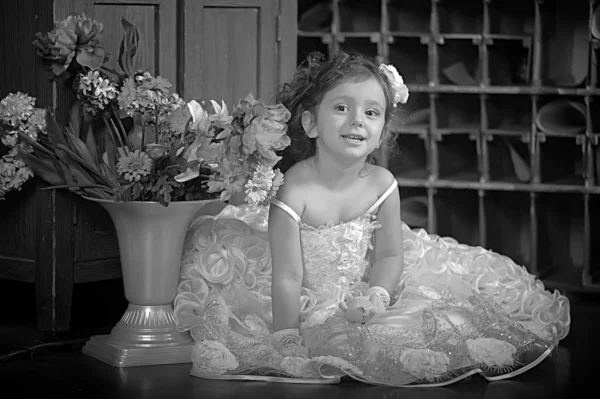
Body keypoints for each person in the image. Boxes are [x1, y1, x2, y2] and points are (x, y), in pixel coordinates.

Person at [173, 51, 571, 387]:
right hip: (296, 294)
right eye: (342, 108)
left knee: (439, 316)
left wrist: (378, 295)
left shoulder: (383, 183)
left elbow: (387, 257)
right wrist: (287, 335)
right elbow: (288, 276)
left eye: (372, 112)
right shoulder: (293, 190)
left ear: (382, 132)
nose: (357, 120)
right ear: (311, 123)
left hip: (361, 287)